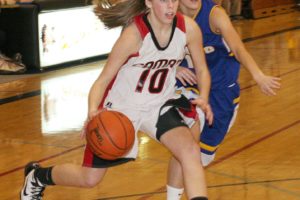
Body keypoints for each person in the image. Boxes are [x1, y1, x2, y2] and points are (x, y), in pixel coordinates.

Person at [20, 0, 213, 199]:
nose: (171, 6)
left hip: (159, 104)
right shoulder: (134, 34)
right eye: (163, 0)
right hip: (123, 108)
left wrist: (204, 97)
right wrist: (92, 111)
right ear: (148, 2)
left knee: (190, 151)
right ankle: (38, 177)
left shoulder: (189, 29)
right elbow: (103, 80)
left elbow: (201, 70)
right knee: (89, 179)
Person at [166, 0, 281, 199]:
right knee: (184, 146)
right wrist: (173, 67)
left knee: (199, 159)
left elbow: (237, 48)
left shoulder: (214, 15)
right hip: (189, 88)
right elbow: (150, 47)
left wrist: (258, 75)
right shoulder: (167, 13)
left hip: (220, 94)